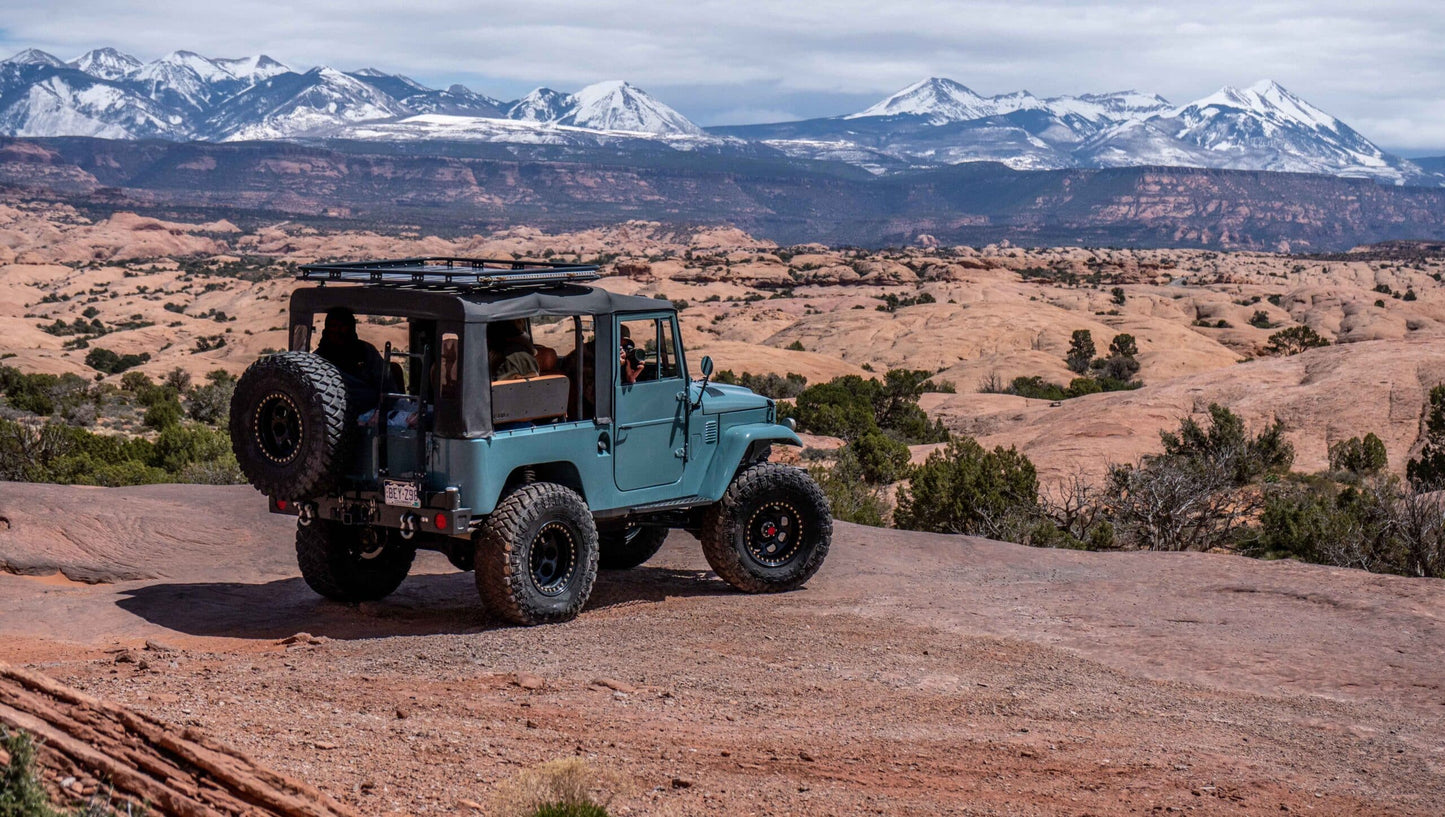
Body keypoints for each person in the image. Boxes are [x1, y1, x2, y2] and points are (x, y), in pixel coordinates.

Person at [315, 307, 385, 404]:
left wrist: (380, 411)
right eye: (333, 326)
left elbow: (386, 385)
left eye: (343, 326)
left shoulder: (367, 351)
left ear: (350, 328)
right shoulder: (316, 359)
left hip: (372, 409)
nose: (338, 331)